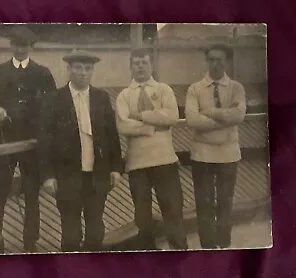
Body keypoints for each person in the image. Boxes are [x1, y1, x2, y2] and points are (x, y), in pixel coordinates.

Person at [0, 25, 56, 253]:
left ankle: (31, 243)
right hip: (4, 141)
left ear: (31, 47)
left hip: (32, 144)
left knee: (31, 195)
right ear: (11, 46)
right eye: (16, 44)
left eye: (25, 45)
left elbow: (52, 106)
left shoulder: (42, 73)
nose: (20, 49)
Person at [37, 49, 123, 252]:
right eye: (78, 68)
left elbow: (112, 136)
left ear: (92, 71)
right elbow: (44, 141)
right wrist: (48, 176)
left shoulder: (101, 98)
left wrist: (116, 168)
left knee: (95, 231)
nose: (83, 73)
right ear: (69, 69)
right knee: (71, 234)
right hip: (67, 177)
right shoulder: (54, 99)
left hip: (97, 176)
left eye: (87, 68)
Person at [115, 48, 188, 250]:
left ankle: (179, 250)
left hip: (165, 160)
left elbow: (172, 117)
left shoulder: (164, 90)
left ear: (151, 65)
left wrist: (141, 116)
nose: (140, 67)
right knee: (142, 215)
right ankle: (149, 252)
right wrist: (153, 125)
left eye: (144, 62)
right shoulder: (124, 96)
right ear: (130, 66)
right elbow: (123, 125)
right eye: (136, 63)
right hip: (137, 164)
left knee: (173, 210)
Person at [185, 43, 246, 249]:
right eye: (211, 59)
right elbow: (193, 120)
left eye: (220, 59)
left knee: (225, 202)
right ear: (207, 61)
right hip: (202, 155)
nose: (215, 63)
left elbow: (239, 115)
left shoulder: (237, 88)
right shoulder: (195, 88)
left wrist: (210, 112)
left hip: (229, 154)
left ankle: (224, 244)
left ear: (227, 61)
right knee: (204, 203)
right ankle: (208, 247)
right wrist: (224, 118)